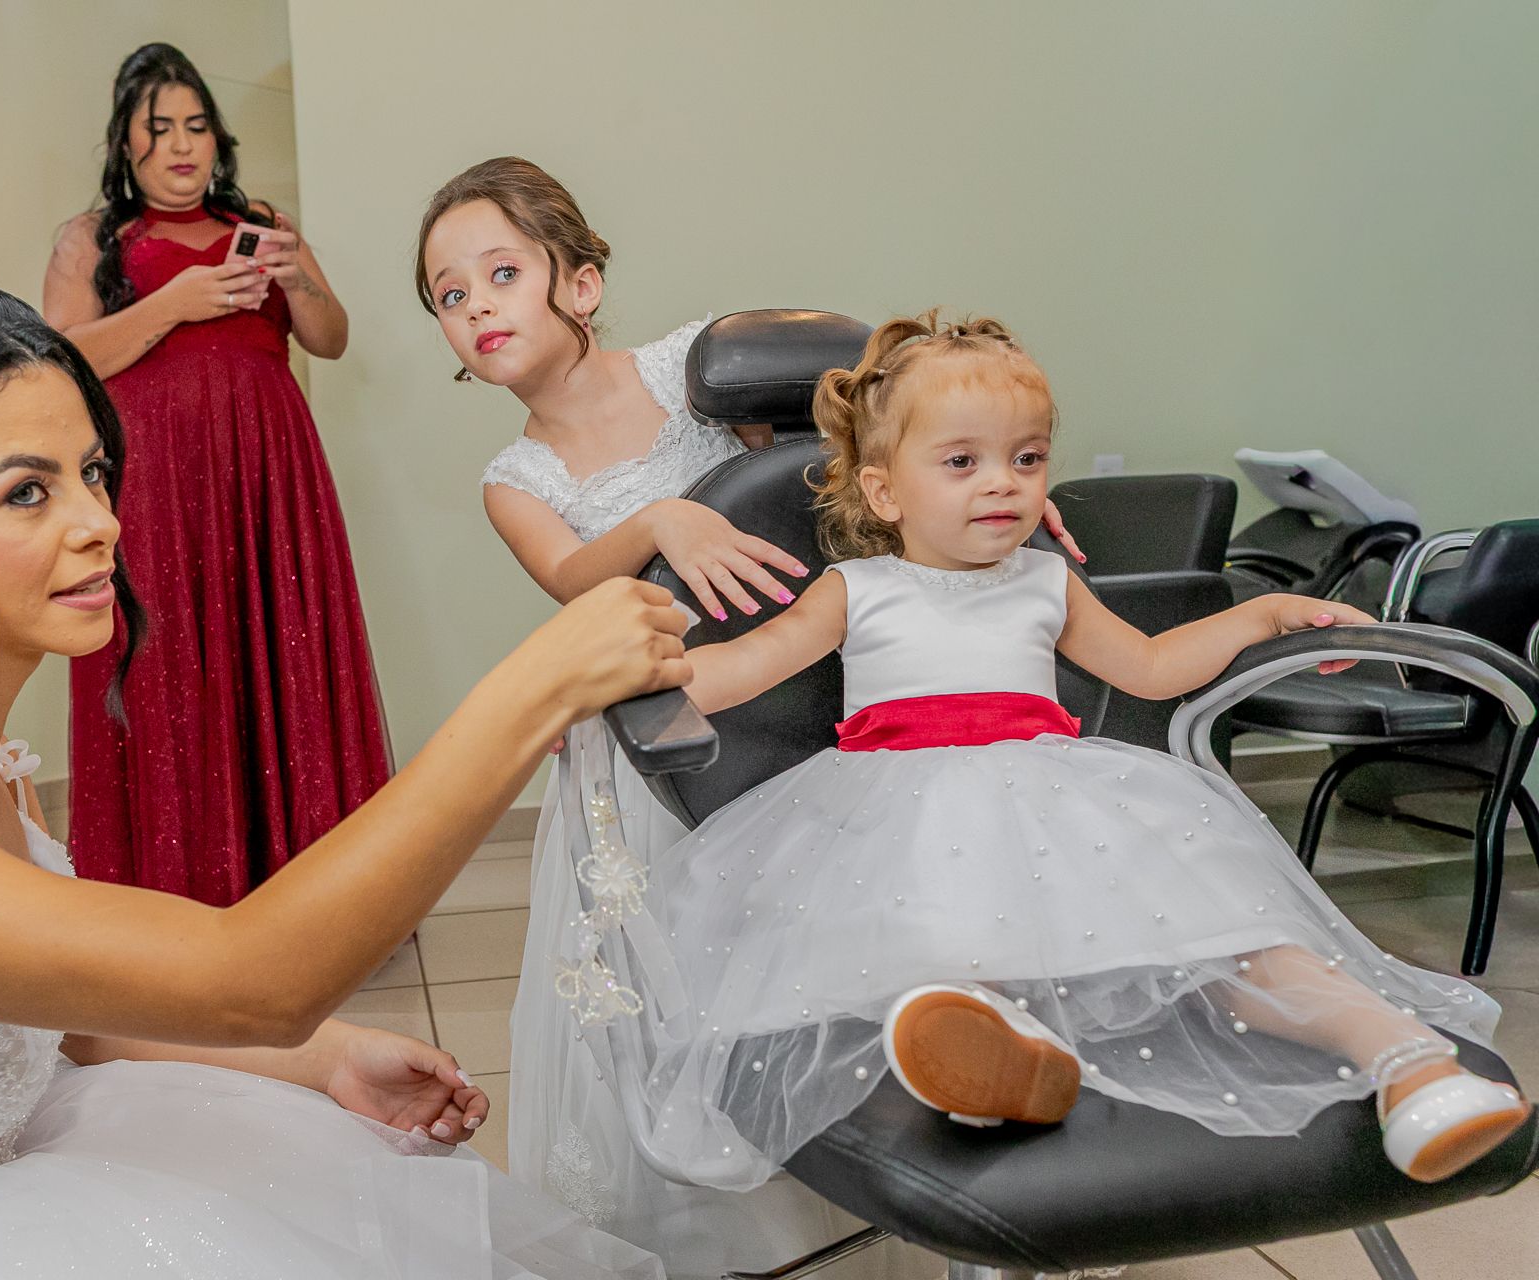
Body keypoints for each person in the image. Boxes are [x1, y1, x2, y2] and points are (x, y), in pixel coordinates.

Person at [0, 269, 688, 1277]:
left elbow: (42, 1006)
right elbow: (250, 975)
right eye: (26, 493)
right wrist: (532, 688)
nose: (102, 522)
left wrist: (321, 1059)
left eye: (89, 471)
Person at [542, 312, 1526, 1227]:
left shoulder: (1046, 580)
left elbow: (1150, 665)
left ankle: (1407, 1066)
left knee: (1233, 937)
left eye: (1026, 458)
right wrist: (606, 674)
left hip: (1064, 793)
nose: (1004, 483)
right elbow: (742, 667)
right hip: (899, 806)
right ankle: (1005, 1053)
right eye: (962, 461)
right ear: (886, 490)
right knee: (941, 951)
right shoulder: (859, 588)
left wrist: (1264, 613)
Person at [418, 157, 1075, 1278]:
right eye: (448, 293)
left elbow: (886, 394)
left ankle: (921, 1142)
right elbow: (576, 575)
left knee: (810, 934)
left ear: (579, 284)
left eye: (501, 272)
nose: (476, 303)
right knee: (670, 970)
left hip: (788, 702)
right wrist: (662, 518)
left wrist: (969, 483)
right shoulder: (512, 475)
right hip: (644, 744)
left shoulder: (695, 369)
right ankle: (714, 1228)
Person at [44, 43, 383, 904]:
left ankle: (312, 893)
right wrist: (173, 304)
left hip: (270, 475)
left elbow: (330, 339)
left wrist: (297, 274)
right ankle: (181, 894)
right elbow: (60, 359)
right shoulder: (91, 239)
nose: (182, 146)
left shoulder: (256, 219)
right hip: (153, 486)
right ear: (125, 144)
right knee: (165, 661)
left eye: (196, 126)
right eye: (159, 130)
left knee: (280, 652)